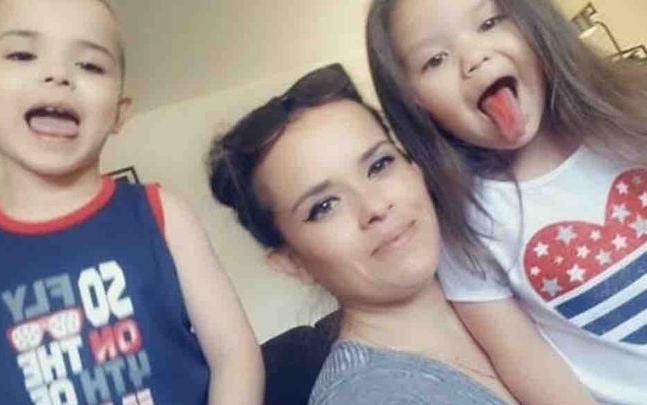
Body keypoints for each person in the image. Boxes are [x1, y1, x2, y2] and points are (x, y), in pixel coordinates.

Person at [0, 0, 263, 403]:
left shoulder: (161, 212)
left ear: (119, 112)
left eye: (90, 65)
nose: (58, 74)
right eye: (22, 55)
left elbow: (234, 356)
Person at [366, 0, 647, 403]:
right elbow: (527, 361)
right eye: (435, 59)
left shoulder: (634, 112)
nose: (474, 58)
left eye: (489, 22)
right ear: (414, 102)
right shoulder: (464, 225)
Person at [207, 63, 518, 404]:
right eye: (324, 206)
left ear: (414, 167)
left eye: (379, 165)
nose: (375, 206)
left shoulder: (514, 269)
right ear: (293, 262)